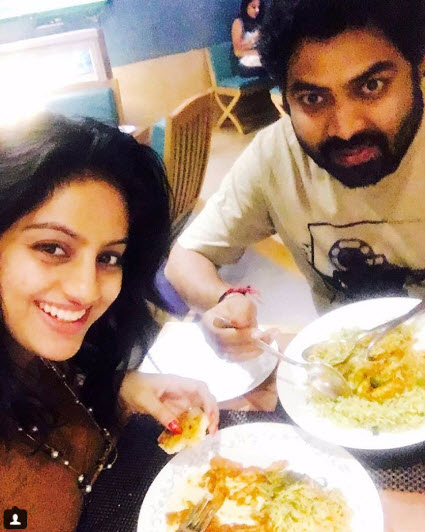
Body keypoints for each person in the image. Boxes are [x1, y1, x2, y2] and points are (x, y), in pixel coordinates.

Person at [165, 0, 425, 360]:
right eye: (313, 98)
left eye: (371, 85)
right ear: (285, 102)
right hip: (344, 370)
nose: (346, 128)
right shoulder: (275, 157)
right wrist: (224, 301)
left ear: (418, 68)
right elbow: (185, 258)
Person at [0, 113, 219, 531]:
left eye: (108, 257)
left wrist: (120, 389)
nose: (86, 290)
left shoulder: (38, 350)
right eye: (52, 248)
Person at [232, 0, 268, 77]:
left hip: (260, 58)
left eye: (259, 7)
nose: (257, 10)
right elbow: (237, 52)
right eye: (253, 7)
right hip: (246, 63)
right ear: (246, 7)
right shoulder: (238, 22)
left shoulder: (260, 21)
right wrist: (255, 41)